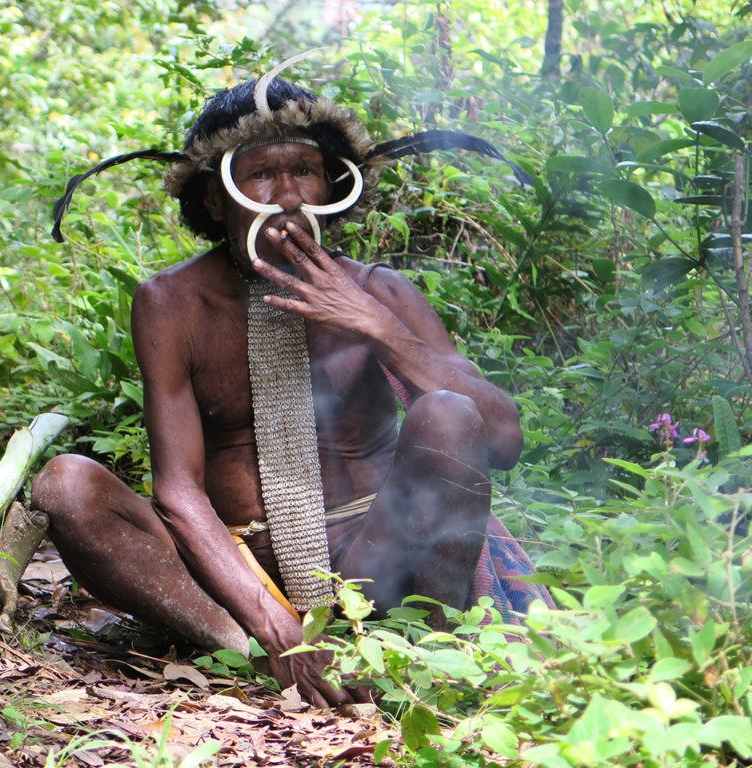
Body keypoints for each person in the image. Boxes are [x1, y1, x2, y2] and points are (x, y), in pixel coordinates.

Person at [35, 66, 550, 708]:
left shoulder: (382, 292)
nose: (286, 196)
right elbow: (177, 488)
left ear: (331, 185)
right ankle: (255, 656)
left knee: (448, 412)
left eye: (304, 171)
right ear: (216, 199)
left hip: (375, 561)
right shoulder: (171, 304)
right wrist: (267, 617)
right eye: (260, 174)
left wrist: (377, 327)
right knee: (67, 484)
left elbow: (500, 439)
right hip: (238, 572)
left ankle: (428, 646)